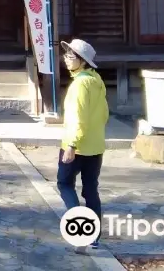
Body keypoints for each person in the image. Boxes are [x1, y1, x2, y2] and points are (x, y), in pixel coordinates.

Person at [57, 38, 109, 251]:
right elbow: (104, 113)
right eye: (66, 55)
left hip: (75, 145)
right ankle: (94, 236)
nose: (67, 59)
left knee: (64, 184)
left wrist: (71, 144)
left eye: (71, 56)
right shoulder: (97, 80)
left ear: (83, 61)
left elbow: (78, 118)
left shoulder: (79, 85)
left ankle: (80, 227)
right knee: (90, 190)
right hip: (95, 146)